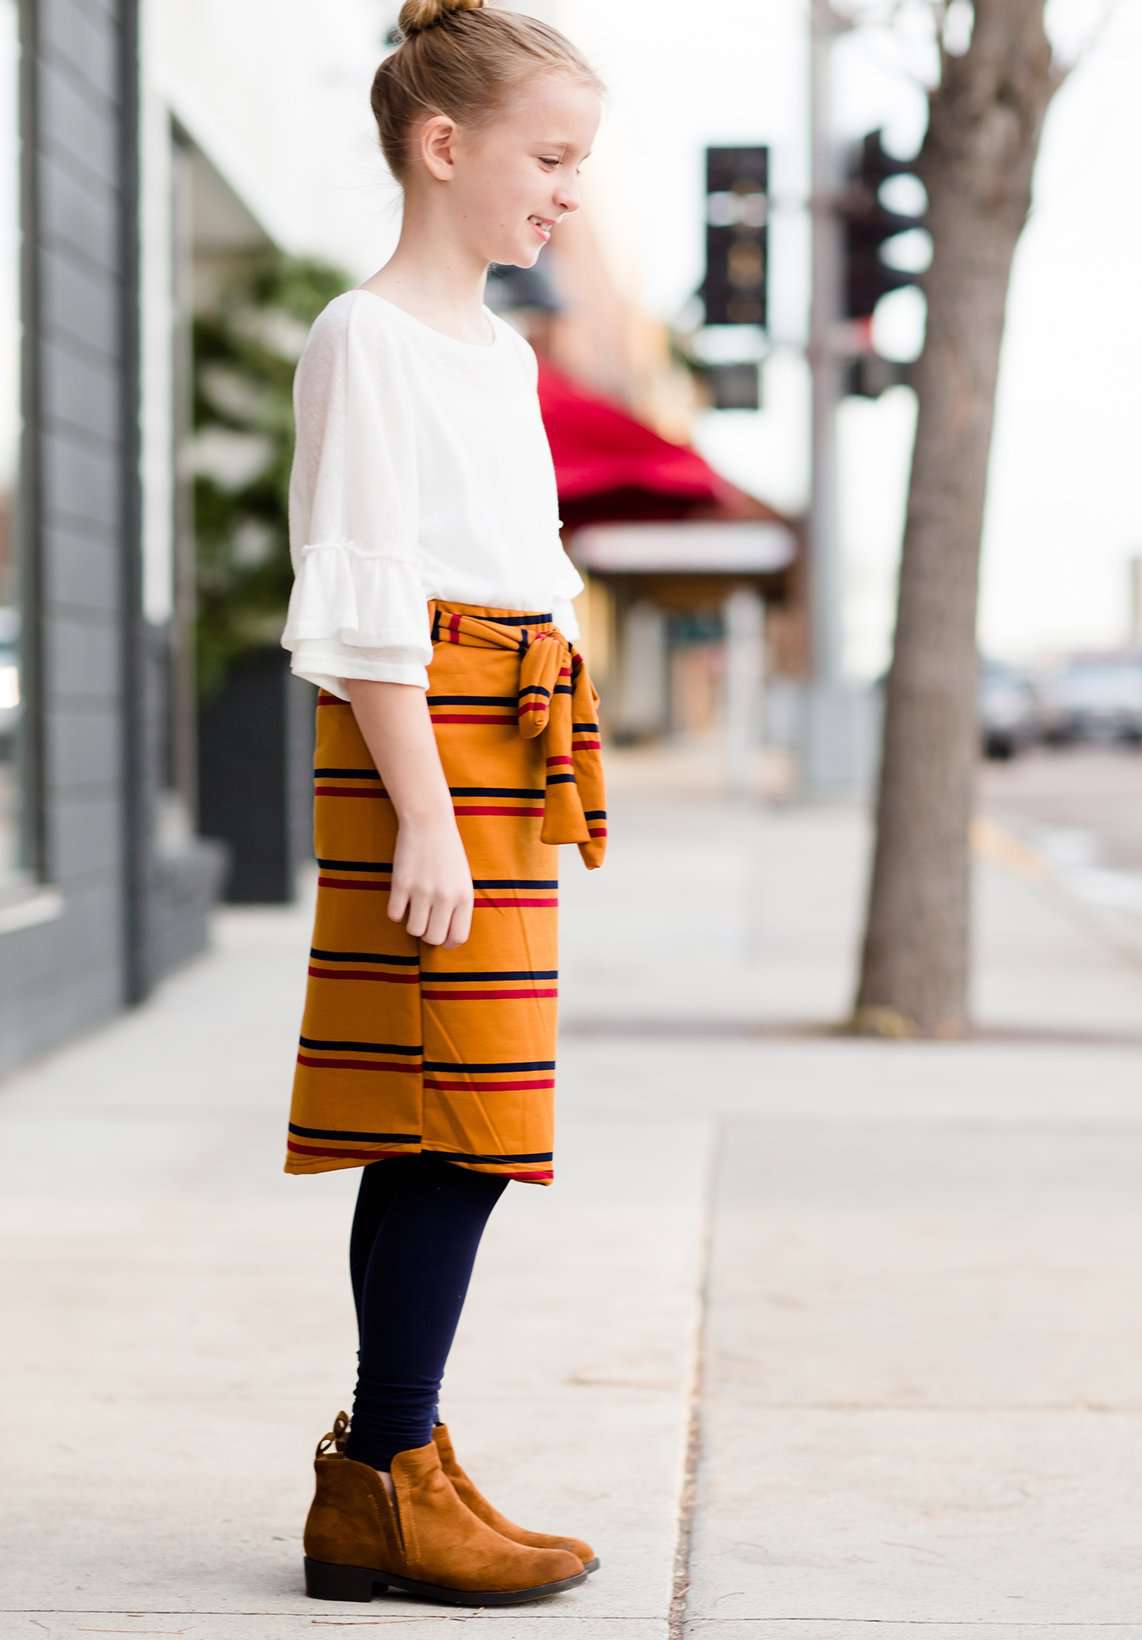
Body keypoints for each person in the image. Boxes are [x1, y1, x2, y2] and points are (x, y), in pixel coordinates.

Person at [276, 0, 609, 1608]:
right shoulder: (366, 337)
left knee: (455, 1122)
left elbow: (520, 569)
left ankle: (389, 1464)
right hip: (430, 748)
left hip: (499, 739)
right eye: (550, 159)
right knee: (455, 1121)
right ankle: (387, 1467)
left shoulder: (505, 351)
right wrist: (423, 812)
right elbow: (367, 602)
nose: (567, 193)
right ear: (445, 145)